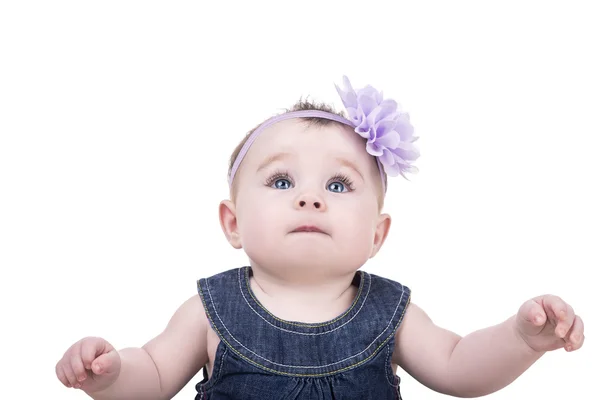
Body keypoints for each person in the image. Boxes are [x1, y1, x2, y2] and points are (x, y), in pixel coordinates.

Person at [55, 76, 585, 399]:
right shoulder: (207, 311)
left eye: (338, 184)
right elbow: (151, 378)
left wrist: (521, 340)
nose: (310, 199)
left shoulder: (391, 312)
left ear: (377, 235)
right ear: (232, 222)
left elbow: (458, 367)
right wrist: (111, 375)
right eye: (281, 181)